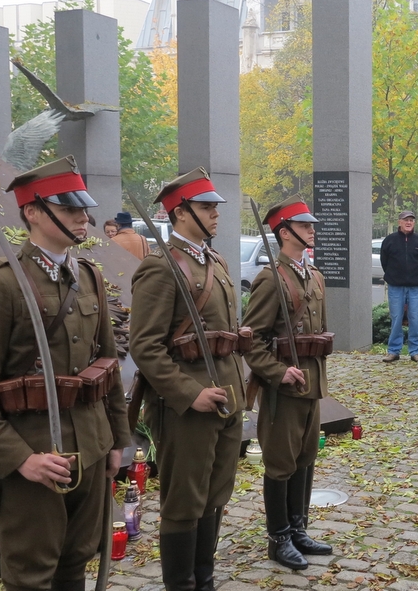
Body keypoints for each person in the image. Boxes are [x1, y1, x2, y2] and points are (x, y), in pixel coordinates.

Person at [0, 156, 131, 591]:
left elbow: (107, 369)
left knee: (76, 563)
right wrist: (21, 459)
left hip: (92, 450)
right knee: (32, 574)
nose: (84, 218)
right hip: (35, 457)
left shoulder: (89, 277)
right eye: (68, 209)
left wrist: (117, 440)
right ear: (33, 212)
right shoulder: (0, 284)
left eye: (84, 208)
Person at [130, 167, 245, 591]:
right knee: (184, 502)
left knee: (215, 496)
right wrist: (189, 392)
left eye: (215, 206)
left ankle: (205, 579)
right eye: (205, 207)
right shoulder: (160, 267)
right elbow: (146, 347)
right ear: (179, 213)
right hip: (187, 406)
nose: (215, 213)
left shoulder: (215, 260)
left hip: (226, 396)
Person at [242, 195, 333, 571]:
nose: (312, 230)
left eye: (311, 225)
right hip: (283, 390)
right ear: (284, 233)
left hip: (311, 384)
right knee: (280, 464)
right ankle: (278, 537)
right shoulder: (270, 279)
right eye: (305, 225)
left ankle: (299, 528)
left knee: (305, 459)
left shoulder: (314, 276)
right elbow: (251, 340)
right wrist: (278, 372)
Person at [380, 210, 418, 363]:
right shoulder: (389, 240)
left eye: (411, 220)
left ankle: (415, 351)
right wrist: (394, 276)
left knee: (415, 318)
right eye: (405, 220)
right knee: (396, 318)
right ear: (399, 222)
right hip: (395, 286)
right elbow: (384, 262)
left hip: (415, 287)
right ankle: (393, 350)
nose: (409, 222)